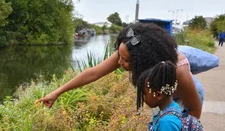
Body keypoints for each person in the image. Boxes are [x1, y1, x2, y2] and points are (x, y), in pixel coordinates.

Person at [37, 23, 203, 119]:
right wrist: (57, 92)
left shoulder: (178, 72)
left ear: (143, 60)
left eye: (124, 60)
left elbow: (195, 111)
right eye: (119, 55)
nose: (118, 62)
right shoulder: (130, 49)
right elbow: (93, 73)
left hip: (183, 98)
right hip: (160, 96)